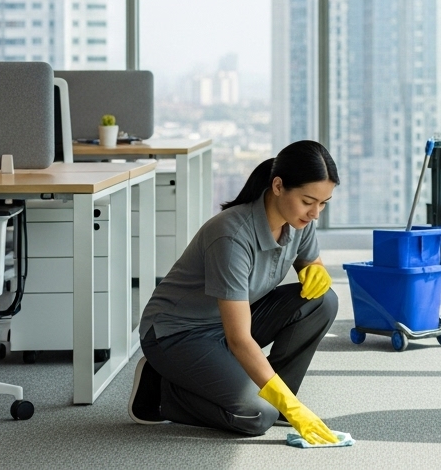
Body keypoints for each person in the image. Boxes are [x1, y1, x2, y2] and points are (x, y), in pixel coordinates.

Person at [127, 139, 345, 446]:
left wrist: (316, 269)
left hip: (229, 321)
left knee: (322, 301)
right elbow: (239, 339)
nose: (315, 214)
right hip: (177, 334)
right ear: (279, 186)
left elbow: (311, 260)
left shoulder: (298, 221)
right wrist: (293, 409)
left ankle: (278, 397)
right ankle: (161, 391)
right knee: (258, 416)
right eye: (309, 201)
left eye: (323, 203)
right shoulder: (231, 235)